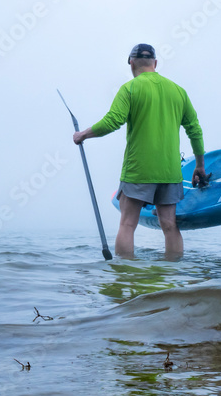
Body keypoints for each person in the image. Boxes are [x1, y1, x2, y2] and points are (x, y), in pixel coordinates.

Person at [73, 43, 207, 259]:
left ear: (131, 62)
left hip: (138, 169)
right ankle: (172, 280)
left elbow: (112, 121)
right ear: (155, 63)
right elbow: (195, 130)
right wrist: (200, 165)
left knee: (127, 224)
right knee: (169, 225)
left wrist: (83, 135)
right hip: (170, 171)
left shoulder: (130, 88)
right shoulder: (178, 91)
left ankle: (126, 277)